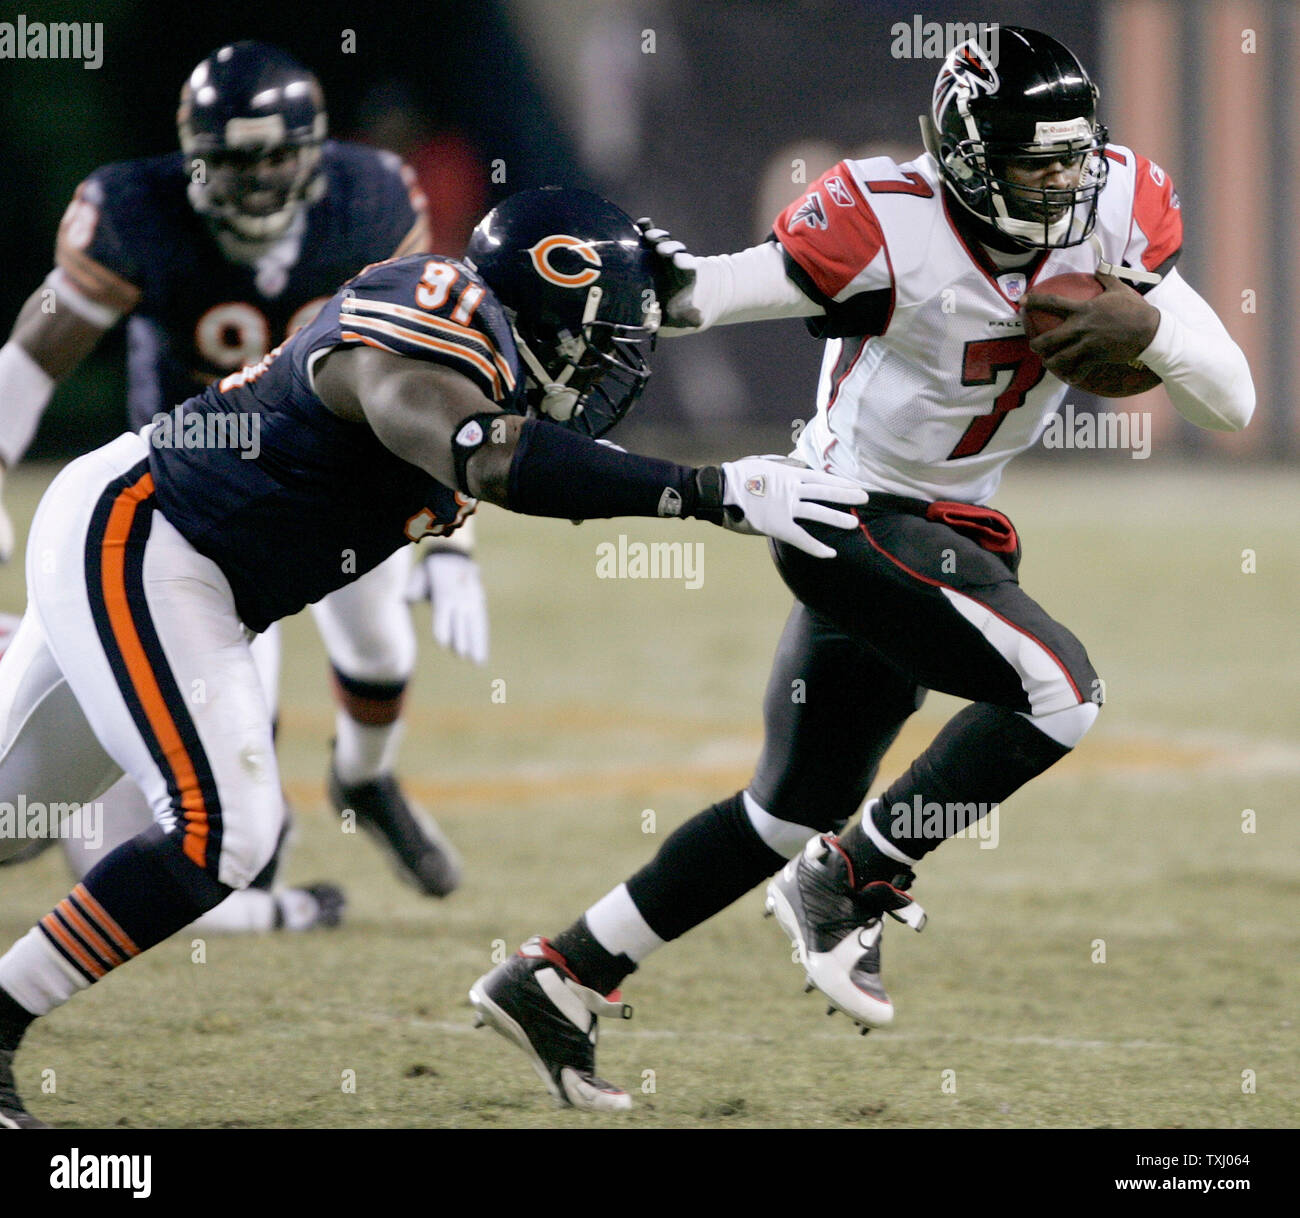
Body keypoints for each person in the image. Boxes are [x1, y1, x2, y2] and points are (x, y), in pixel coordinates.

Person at [468, 27, 1255, 1112]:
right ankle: (855, 875)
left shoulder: (1119, 203)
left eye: (1077, 156)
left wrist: (1155, 323)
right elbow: (721, 291)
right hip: (850, 516)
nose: (1065, 183)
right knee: (1057, 693)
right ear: (973, 154)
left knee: (787, 809)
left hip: (946, 529)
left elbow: (1234, 401)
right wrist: (645, 279)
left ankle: (558, 975)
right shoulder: (887, 215)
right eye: (1038, 162)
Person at [0, 185, 866, 1127]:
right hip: (148, 539)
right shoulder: (433, 320)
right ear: (548, 309)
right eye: (605, 333)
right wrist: (708, 490)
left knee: (10, 822)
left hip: (182, 566)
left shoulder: (495, 345)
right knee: (230, 828)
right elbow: (480, 450)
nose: (620, 360)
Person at [0, 41, 482, 920]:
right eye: (230, 158)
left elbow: (432, 371)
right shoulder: (132, 210)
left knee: (380, 648)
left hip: (343, 469)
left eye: (275, 155)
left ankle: (364, 782)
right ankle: (236, 873)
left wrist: (462, 541)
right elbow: (30, 362)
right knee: (230, 689)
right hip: (201, 491)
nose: (256, 178)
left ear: (316, 149)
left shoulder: (370, 201)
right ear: (191, 153)